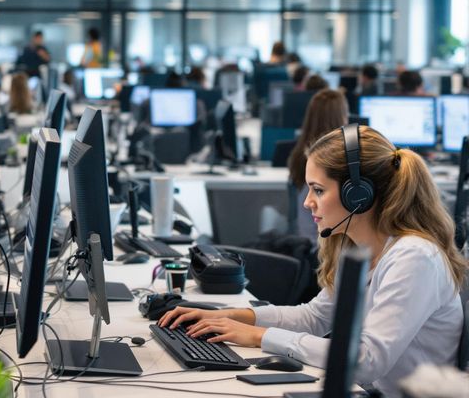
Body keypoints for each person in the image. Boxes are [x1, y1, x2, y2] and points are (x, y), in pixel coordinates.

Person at [161, 125, 466, 397]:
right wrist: (231, 317)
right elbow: (314, 317)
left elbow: (366, 360)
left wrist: (260, 337)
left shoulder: (414, 257)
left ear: (357, 195)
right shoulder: (360, 248)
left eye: (318, 190)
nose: (308, 202)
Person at [286, 89, 350, 240]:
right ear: (341, 118)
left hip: (304, 239)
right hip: (320, 246)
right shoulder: (334, 163)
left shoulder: (298, 155)